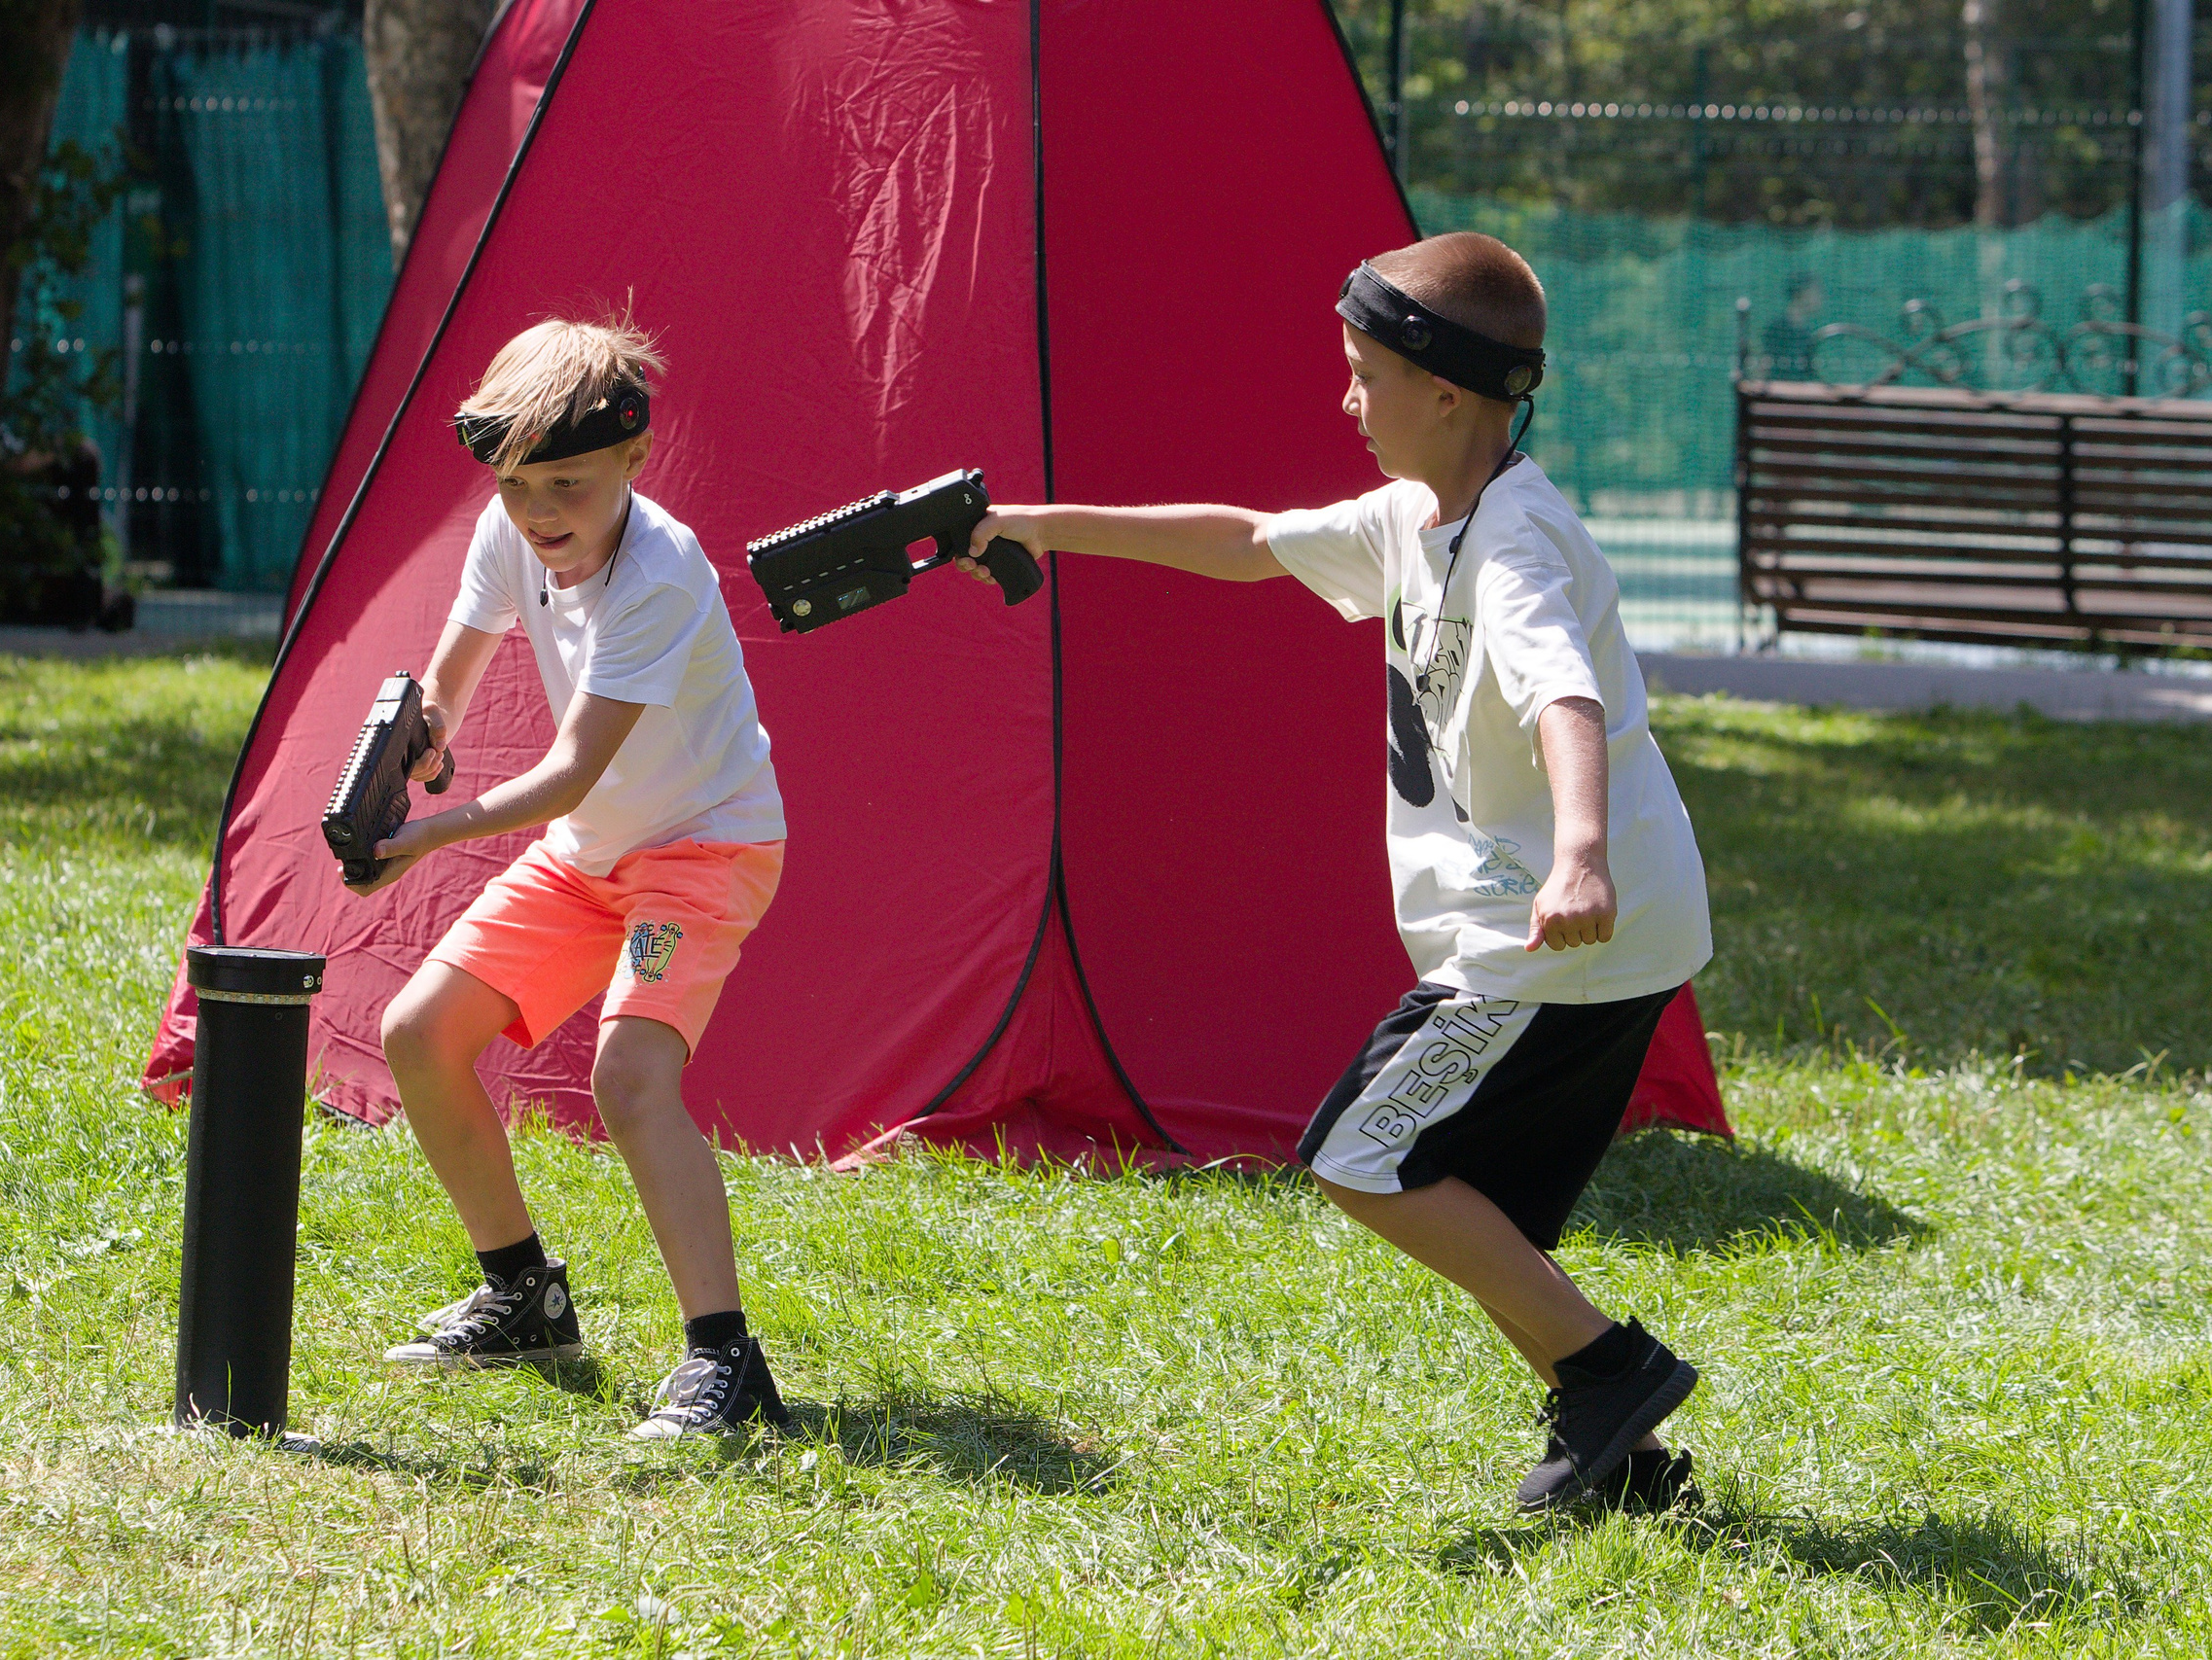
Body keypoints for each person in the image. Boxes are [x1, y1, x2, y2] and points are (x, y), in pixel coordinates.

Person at [955, 233, 1715, 1513]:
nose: (1345, 401)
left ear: (1449, 395)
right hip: (1578, 930)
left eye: (1365, 374)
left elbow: (1565, 696)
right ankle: (1625, 1457)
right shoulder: (1416, 518)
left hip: (1552, 931)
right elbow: (1248, 541)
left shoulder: (1517, 545)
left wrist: (1578, 850)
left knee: (1363, 1153)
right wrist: (1039, 526)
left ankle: (1609, 1367)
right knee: (1462, 1195)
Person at [347, 317, 793, 1440]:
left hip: (699, 856)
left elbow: (566, 769)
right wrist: (419, 743)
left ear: (635, 460)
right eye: (516, 486)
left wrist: (420, 836)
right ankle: (522, 1298)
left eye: (568, 485)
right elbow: (449, 687)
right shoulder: (511, 532)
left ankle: (724, 1362)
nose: (540, 512)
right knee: (418, 1032)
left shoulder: (660, 574)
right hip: (589, 854)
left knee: (630, 1078)